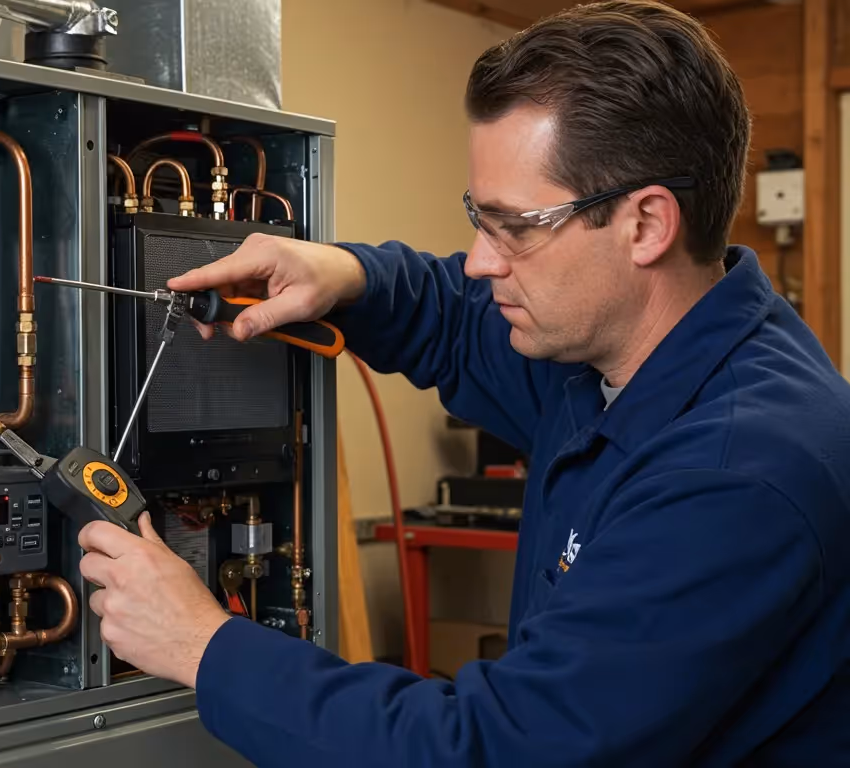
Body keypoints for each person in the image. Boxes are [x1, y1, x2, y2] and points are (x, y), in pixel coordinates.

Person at [76, 1, 850, 765]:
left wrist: (204, 645)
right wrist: (342, 272)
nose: (481, 259)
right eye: (478, 219)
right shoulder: (614, 355)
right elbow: (453, 319)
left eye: (513, 227)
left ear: (646, 224)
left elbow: (498, 750)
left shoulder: (737, 473)